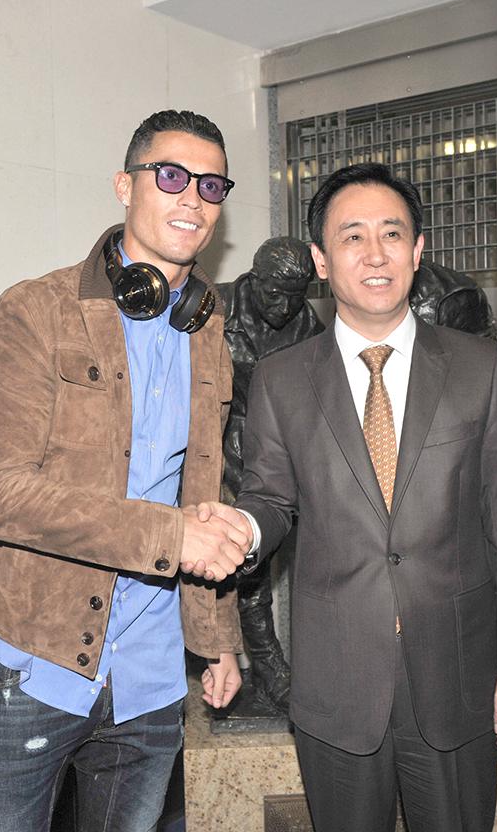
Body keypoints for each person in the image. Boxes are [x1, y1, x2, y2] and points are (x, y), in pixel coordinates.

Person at [203, 163, 497, 831]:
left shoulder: (477, 367)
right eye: (352, 236)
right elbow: (270, 497)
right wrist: (242, 530)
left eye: (391, 234)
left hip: (456, 674)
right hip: (336, 679)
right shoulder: (280, 379)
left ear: (417, 251)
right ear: (320, 261)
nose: (374, 253)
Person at [0, 109, 250, 832]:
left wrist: (217, 637)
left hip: (153, 672)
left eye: (211, 185)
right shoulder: (36, 312)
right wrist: (168, 536)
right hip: (38, 663)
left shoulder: (207, 330)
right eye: (171, 176)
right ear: (125, 185)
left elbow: (202, 491)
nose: (193, 198)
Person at [217, 236, 324, 713]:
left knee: (254, 556)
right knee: (229, 557)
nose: (283, 307)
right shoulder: (213, 309)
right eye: (274, 294)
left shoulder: (310, 329)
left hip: (275, 448)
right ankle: (256, 661)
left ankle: (266, 665)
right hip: (213, 440)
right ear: (253, 279)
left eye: (294, 297)